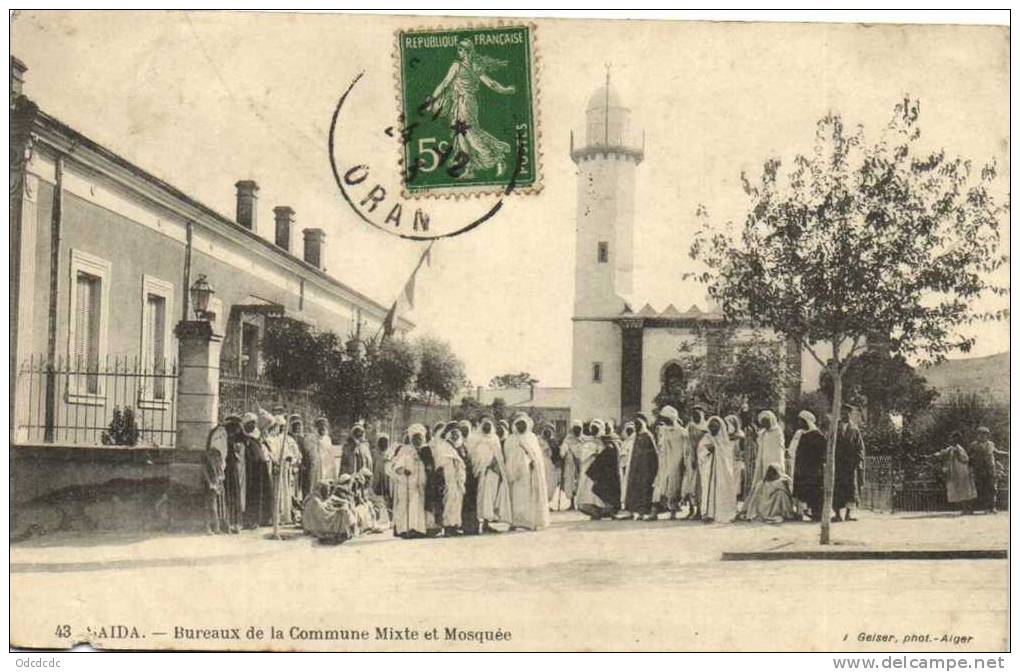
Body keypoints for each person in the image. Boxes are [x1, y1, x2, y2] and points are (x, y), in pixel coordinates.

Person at [426, 38, 515, 180]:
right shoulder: (475, 66)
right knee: (460, 135)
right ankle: (469, 169)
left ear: (466, 51)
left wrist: (432, 98)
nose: (459, 52)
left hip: (464, 103)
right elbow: (491, 83)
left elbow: (444, 83)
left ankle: (497, 158)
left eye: (460, 50)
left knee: (469, 134)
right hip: (463, 102)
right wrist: (505, 90)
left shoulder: (457, 65)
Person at [503, 412, 550, 531]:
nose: (520, 427)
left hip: (529, 473)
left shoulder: (532, 438)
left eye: (523, 424)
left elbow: (537, 456)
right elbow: (507, 455)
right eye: (518, 424)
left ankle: (530, 522)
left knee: (529, 498)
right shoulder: (511, 439)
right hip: (515, 474)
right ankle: (515, 522)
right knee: (516, 497)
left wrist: (531, 462)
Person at [468, 415, 512, 532]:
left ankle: (487, 523)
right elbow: (473, 455)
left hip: (494, 473)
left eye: (489, 425)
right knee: (481, 498)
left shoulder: (495, 439)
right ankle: (479, 524)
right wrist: (484, 465)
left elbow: (499, 456)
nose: (487, 427)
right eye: (485, 425)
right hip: (482, 473)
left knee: (491, 498)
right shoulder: (475, 439)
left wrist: (496, 464)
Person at [387, 424, 429, 539]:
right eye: (415, 438)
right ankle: (405, 530)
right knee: (405, 507)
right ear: (411, 439)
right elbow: (396, 466)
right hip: (405, 484)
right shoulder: (405, 450)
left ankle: (417, 529)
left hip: (418, 485)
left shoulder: (424, 451)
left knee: (417, 507)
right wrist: (404, 470)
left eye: (420, 438)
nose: (418, 440)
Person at [697, 416, 737, 523]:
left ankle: (721, 513)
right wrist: (707, 450)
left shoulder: (724, 439)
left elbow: (728, 455)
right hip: (709, 469)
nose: (713, 429)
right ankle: (708, 513)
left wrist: (718, 450)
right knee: (708, 490)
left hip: (722, 471)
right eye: (711, 427)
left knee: (722, 489)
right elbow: (700, 451)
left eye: (715, 427)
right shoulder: (706, 438)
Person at [791, 410, 826, 521]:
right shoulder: (800, 433)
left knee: (814, 489)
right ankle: (800, 512)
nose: (799, 423)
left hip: (813, 468)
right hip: (801, 466)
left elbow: (822, 452)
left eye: (801, 421)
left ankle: (816, 513)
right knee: (800, 488)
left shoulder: (817, 435)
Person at [929, 432, 977, 514]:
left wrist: (957, 454)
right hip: (956, 471)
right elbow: (942, 453)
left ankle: (969, 509)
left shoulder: (960, 449)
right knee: (960, 490)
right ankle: (965, 509)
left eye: (954, 439)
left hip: (962, 471)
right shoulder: (951, 448)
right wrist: (933, 455)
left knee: (965, 489)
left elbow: (965, 459)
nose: (952, 440)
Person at [434, 423, 468, 536]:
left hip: (457, 479)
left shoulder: (459, 447)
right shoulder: (443, 446)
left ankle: (454, 526)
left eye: (456, 434)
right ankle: (448, 527)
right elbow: (439, 465)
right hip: (448, 478)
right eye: (452, 434)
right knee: (449, 502)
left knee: (457, 502)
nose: (454, 437)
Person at [624, 413, 659, 520]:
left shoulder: (648, 436)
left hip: (646, 469)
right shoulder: (635, 436)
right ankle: (635, 512)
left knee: (644, 490)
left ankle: (644, 512)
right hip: (635, 468)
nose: (637, 426)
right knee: (634, 489)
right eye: (636, 425)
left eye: (639, 424)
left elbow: (654, 453)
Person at [833, 405, 865, 522]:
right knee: (837, 489)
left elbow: (860, 447)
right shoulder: (835, 427)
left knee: (850, 490)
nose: (844, 415)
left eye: (847, 413)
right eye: (842, 413)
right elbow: (829, 443)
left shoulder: (854, 430)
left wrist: (858, 461)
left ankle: (848, 514)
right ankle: (837, 514)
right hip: (837, 465)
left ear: (850, 415)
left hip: (850, 466)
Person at [654, 406, 687, 520]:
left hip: (676, 462)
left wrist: (682, 462)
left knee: (674, 486)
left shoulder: (681, 432)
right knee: (660, 485)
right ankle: (656, 511)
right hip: (663, 461)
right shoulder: (663, 430)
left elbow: (684, 448)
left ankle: (673, 510)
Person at [968, 426, 1007, 514]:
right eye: (980, 434)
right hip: (978, 470)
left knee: (992, 489)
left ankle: (992, 507)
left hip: (990, 470)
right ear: (977, 435)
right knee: (978, 489)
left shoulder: (991, 444)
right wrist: (971, 467)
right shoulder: (973, 445)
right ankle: (972, 508)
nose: (982, 436)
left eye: (984, 434)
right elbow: (968, 457)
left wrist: (1007, 453)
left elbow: (996, 452)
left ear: (987, 435)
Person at [242, 411, 271, 529]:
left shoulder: (256, 437)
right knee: (251, 496)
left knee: (261, 493)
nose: (253, 426)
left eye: (254, 423)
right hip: (250, 471)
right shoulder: (245, 438)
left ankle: (260, 518)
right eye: (251, 424)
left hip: (259, 469)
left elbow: (270, 420)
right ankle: (250, 520)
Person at [588, 419, 622, 518]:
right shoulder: (609, 441)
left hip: (609, 472)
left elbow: (604, 457)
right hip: (608, 472)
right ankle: (607, 511)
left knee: (608, 491)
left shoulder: (612, 442)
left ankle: (610, 511)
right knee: (604, 491)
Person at [575, 420, 607, 519]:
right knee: (587, 490)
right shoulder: (587, 441)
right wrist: (593, 453)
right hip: (587, 469)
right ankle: (591, 510)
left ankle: (599, 510)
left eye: (596, 429)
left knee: (596, 491)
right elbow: (583, 455)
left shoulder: (604, 440)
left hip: (598, 470)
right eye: (592, 428)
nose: (594, 430)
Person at [202, 423, 228, 534]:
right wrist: (211, 483)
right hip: (210, 484)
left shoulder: (218, 457)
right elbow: (205, 471)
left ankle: (215, 527)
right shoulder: (209, 457)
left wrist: (219, 481)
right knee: (210, 506)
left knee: (214, 506)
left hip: (216, 484)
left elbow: (221, 472)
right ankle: (210, 527)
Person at [222, 414, 246, 534]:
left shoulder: (236, 440)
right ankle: (231, 522)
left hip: (232, 469)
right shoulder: (227, 439)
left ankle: (234, 523)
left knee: (233, 494)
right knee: (231, 494)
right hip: (229, 469)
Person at [683, 407, 708, 519]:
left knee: (700, 485)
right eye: (694, 415)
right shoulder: (690, 427)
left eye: (698, 414)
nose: (696, 416)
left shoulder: (706, 427)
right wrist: (691, 458)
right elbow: (689, 444)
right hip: (692, 458)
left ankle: (699, 510)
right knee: (690, 484)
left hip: (703, 457)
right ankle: (691, 509)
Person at [291, 414, 319, 503]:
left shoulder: (303, 438)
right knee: (294, 486)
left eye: (299, 426)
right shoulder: (290, 438)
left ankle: (305, 501)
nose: (298, 428)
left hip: (303, 466)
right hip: (294, 465)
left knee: (305, 485)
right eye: (295, 426)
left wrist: (304, 464)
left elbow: (305, 453)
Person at [559, 420, 585, 509]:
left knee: (581, 484)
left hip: (582, 465)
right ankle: (572, 504)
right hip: (571, 466)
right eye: (575, 428)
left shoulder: (584, 440)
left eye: (579, 428)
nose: (577, 430)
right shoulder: (567, 440)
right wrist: (564, 452)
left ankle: (581, 504)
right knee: (571, 484)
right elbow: (562, 452)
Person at [538, 424, 560, 505]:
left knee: (550, 483)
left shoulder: (554, 442)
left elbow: (557, 455)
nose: (547, 432)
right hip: (540, 463)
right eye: (545, 430)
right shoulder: (538, 440)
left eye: (549, 431)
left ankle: (547, 503)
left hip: (550, 465)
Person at [314, 418, 337, 482]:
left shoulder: (327, 439)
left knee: (327, 478)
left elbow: (331, 452)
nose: (322, 429)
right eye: (320, 428)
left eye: (324, 427)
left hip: (327, 462)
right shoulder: (314, 438)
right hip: (318, 462)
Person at [618, 421, 636, 506]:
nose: (629, 432)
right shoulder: (624, 442)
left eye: (631, 430)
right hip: (623, 466)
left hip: (631, 466)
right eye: (628, 430)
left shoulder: (635, 442)